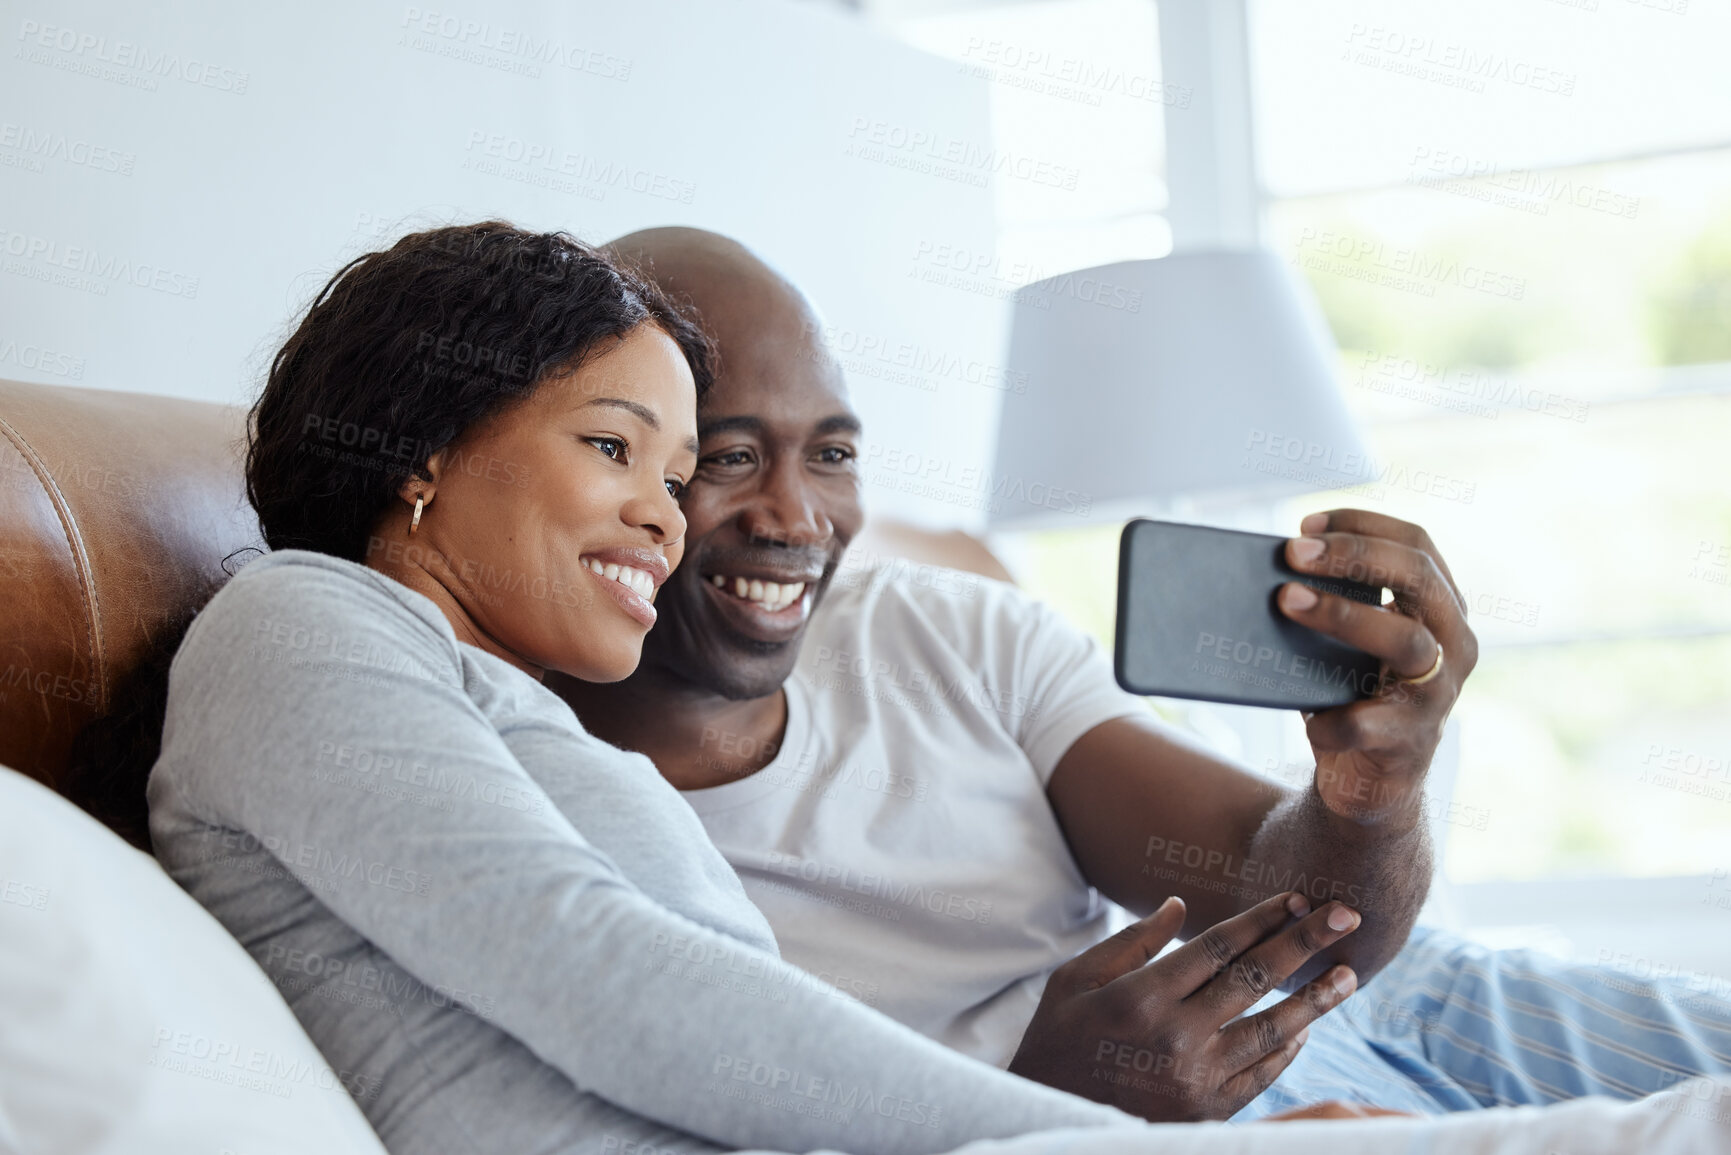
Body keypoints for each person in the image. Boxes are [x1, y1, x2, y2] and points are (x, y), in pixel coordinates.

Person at [552, 226, 1731, 1123]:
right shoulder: (533, 812)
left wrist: (1371, 790)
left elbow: (1304, 917)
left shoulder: (944, 628)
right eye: (730, 455)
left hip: (1415, 995)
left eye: (836, 453)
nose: (799, 517)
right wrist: (1046, 1100)